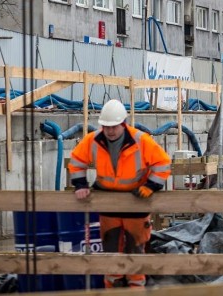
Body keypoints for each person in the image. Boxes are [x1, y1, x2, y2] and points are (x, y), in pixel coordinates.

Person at [68, 99, 171, 289]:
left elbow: (163, 163)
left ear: (123, 123)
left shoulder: (141, 140)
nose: (110, 131)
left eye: (114, 127)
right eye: (106, 127)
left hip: (136, 203)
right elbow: (76, 161)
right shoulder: (93, 140)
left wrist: (151, 186)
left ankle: (136, 290)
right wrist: (80, 184)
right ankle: (112, 289)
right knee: (111, 251)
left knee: (136, 251)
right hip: (108, 204)